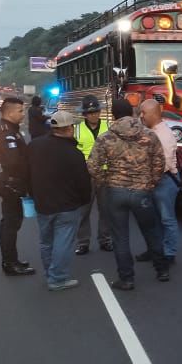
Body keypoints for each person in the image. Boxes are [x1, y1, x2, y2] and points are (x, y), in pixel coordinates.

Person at [87, 97, 167, 290]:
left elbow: (93, 166)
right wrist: (150, 182)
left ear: (113, 114)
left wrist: (106, 180)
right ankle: (161, 270)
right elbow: (159, 162)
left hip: (115, 192)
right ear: (133, 112)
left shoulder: (105, 138)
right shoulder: (149, 135)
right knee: (151, 231)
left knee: (120, 237)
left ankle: (127, 278)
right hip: (142, 192)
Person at [27, 109, 92, 291]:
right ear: (70, 128)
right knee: (63, 242)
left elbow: (26, 172)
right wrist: (84, 200)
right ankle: (58, 278)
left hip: (42, 203)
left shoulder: (35, 146)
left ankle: (50, 273)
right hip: (67, 206)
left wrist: (31, 193)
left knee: (46, 241)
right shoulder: (74, 154)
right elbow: (83, 182)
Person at [0, 96, 35, 275]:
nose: (23, 114)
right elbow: (14, 162)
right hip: (11, 184)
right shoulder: (6, 132)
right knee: (10, 225)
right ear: (10, 112)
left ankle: (12, 260)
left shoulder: (13, 129)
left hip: (14, 183)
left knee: (13, 224)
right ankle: (9, 264)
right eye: (20, 111)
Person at [137, 98, 180, 265]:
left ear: (154, 114)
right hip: (155, 180)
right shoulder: (151, 131)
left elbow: (165, 163)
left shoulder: (164, 135)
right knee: (154, 219)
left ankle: (169, 254)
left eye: (144, 113)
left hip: (164, 181)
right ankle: (156, 249)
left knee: (167, 219)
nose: (141, 116)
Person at [74, 95, 112, 255]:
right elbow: (74, 152)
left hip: (105, 173)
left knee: (106, 210)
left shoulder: (109, 126)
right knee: (83, 211)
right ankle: (83, 243)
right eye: (89, 113)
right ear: (84, 114)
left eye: (96, 111)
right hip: (85, 175)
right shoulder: (77, 129)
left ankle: (105, 240)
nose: (93, 115)